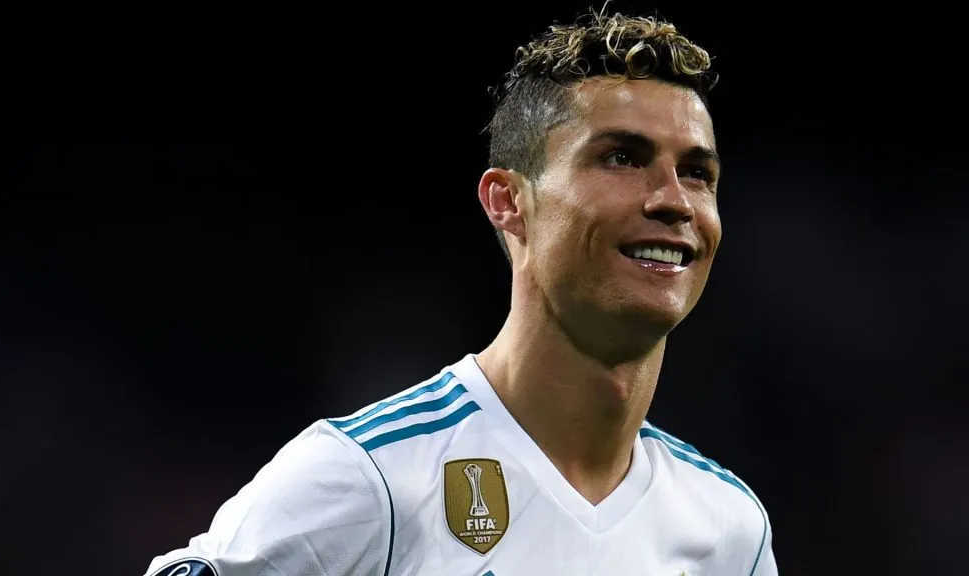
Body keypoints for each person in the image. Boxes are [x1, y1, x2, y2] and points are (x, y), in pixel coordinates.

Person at [143, 7, 777, 576]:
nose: (672, 200)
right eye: (621, 158)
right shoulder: (376, 479)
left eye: (697, 173)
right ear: (509, 202)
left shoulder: (728, 531)